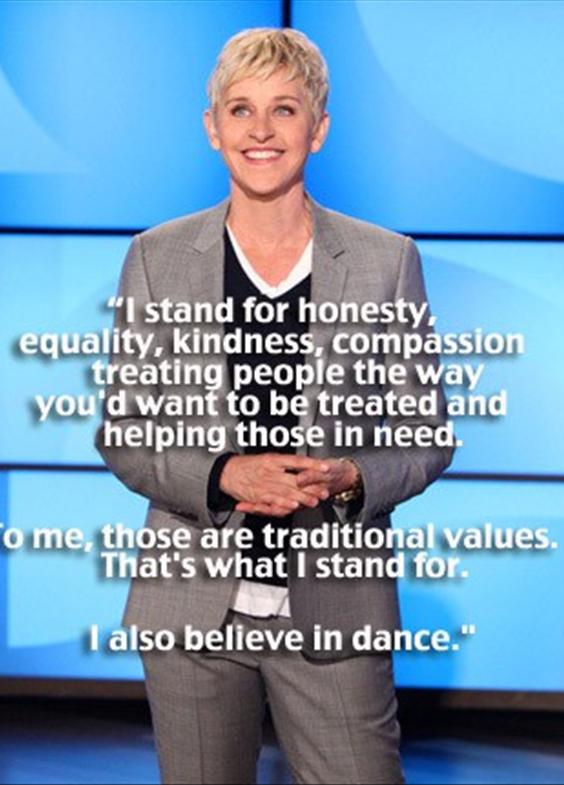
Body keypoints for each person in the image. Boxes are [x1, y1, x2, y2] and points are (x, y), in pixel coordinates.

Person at [96, 27, 453, 785]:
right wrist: (224, 474)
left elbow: (426, 435)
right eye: (241, 109)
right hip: (191, 608)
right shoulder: (156, 257)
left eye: (284, 109)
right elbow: (125, 432)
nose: (261, 130)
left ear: (317, 129)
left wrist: (353, 477)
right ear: (213, 127)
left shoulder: (386, 260)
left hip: (336, 604)